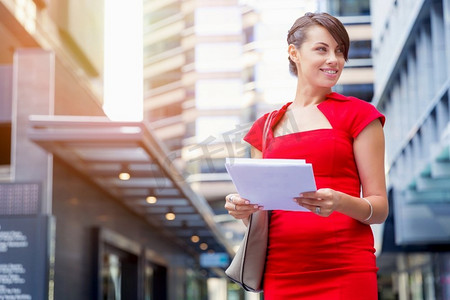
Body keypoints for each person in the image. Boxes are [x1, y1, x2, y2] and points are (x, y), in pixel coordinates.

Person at [224, 12, 388, 299]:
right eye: (322, 49)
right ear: (294, 53)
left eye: (339, 51)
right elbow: (261, 216)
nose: (334, 60)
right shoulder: (264, 128)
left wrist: (339, 201)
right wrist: (243, 211)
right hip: (282, 272)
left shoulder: (360, 115)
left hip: (345, 270)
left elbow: (379, 208)